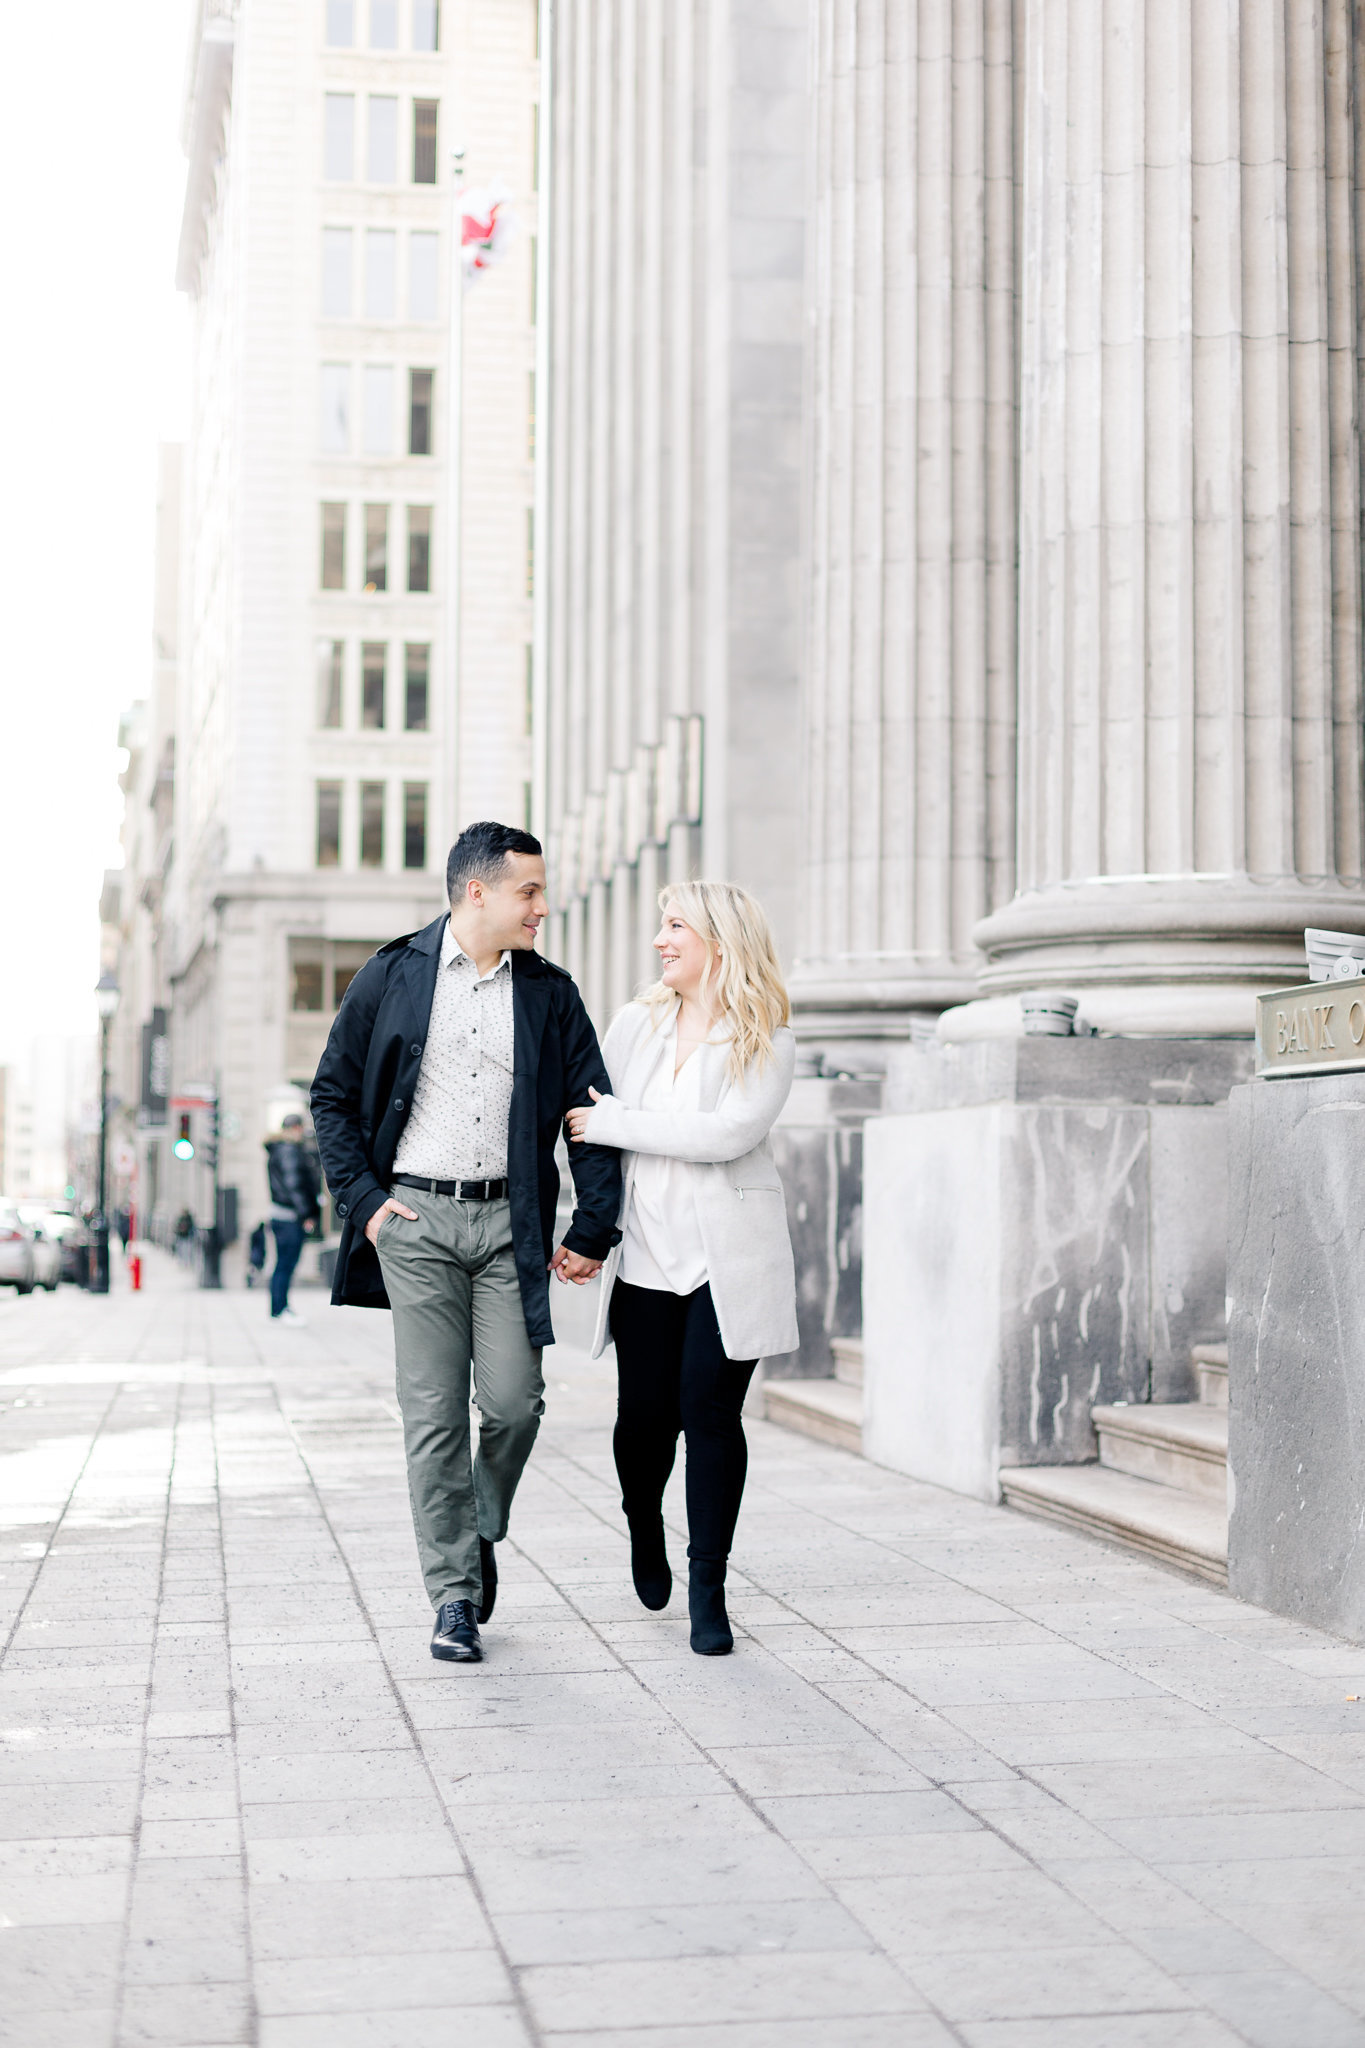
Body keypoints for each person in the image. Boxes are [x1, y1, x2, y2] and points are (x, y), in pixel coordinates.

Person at [311, 820, 621, 1666]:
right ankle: (452, 1595)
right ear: (475, 891)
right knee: (434, 1414)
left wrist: (593, 1224)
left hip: (509, 1223)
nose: (542, 908)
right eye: (528, 891)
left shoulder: (549, 993)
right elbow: (331, 1096)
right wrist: (367, 1204)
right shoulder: (393, 975)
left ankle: (479, 1523)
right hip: (415, 1225)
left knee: (516, 1404)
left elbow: (592, 1113)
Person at [567, 880, 798, 1657]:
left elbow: (728, 1134)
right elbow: (586, 1123)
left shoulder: (767, 1032)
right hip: (646, 1257)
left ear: (718, 941)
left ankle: (709, 1590)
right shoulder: (635, 1023)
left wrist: (618, 1123)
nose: (661, 941)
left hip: (725, 1264)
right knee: (642, 1425)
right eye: (661, 926)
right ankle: (642, 1522)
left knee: (710, 1417)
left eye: (675, 927)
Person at [264, 1113, 322, 1323]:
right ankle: (281, 1310)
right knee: (286, 1264)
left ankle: (278, 1309)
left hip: (280, 1214)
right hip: (290, 1216)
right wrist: (306, 1213)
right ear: (295, 1128)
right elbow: (295, 1185)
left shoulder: (278, 1149)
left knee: (282, 1263)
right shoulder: (289, 1150)